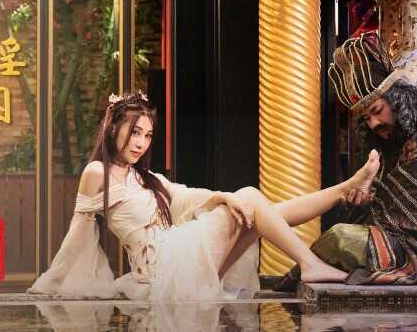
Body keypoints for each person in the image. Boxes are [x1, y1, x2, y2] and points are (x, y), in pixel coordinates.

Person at [28, 91, 381, 301]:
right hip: (163, 273)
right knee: (251, 198)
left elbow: (186, 197)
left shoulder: (146, 178)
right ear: (113, 128)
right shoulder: (97, 173)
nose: (141, 143)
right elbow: (79, 232)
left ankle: (343, 191)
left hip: (183, 263)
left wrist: (225, 199)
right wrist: (54, 281)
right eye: (135, 132)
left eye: (148, 136)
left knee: (258, 211)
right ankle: (311, 263)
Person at [275, 32, 417, 289]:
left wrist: (373, 199)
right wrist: (367, 198)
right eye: (366, 119)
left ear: (399, 101)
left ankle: (296, 280)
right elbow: (394, 205)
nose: (374, 124)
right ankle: (303, 276)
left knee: (339, 238)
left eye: (377, 111)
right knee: (341, 236)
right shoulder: (398, 142)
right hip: (407, 240)